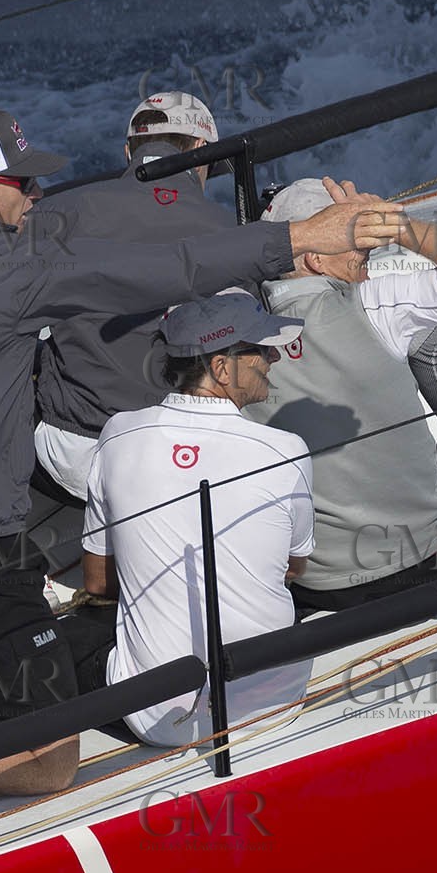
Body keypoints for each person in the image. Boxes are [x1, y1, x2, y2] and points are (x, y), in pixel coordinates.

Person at [0, 109, 401, 783]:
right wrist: (294, 238)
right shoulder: (15, 269)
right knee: (52, 763)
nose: (35, 196)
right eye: (20, 183)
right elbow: (167, 269)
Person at [245, 178, 437, 611]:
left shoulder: (230, 348)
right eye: (354, 239)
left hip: (324, 588)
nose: (369, 256)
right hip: (432, 560)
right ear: (316, 259)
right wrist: (396, 225)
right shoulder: (375, 303)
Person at [78, 291, 315, 746]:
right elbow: (293, 567)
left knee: (58, 639)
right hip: (271, 703)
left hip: (158, 721)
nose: (274, 358)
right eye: (262, 349)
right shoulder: (286, 450)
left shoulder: (118, 434)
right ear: (222, 368)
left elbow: (96, 582)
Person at [31, 91, 236, 502]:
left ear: (129, 151)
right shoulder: (227, 230)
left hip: (74, 454)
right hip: (177, 455)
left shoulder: (51, 215)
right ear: (201, 149)